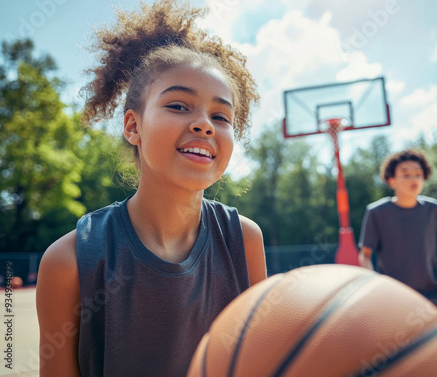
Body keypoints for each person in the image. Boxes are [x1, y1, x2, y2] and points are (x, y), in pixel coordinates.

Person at [35, 1, 267, 376]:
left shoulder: (244, 240)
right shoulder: (69, 261)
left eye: (221, 116)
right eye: (178, 105)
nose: (205, 125)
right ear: (133, 127)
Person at [358, 149, 437, 330]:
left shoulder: (434, 209)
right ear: (391, 180)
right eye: (406, 174)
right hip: (397, 296)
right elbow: (365, 254)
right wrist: (374, 284)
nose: (414, 178)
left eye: (418, 174)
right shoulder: (377, 212)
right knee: (411, 355)